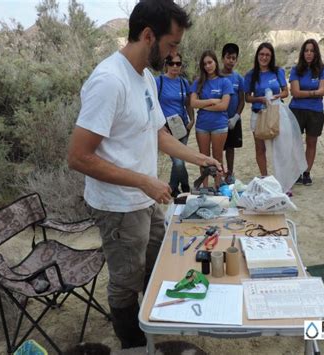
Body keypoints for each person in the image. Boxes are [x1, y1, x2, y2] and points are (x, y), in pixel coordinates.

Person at [67, 1, 221, 349]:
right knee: (126, 279)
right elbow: (78, 156)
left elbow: (158, 134)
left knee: (157, 262)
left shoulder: (145, 78)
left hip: (147, 198)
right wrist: (143, 181)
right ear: (148, 35)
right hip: (119, 205)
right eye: (172, 44)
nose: (174, 54)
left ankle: (151, 326)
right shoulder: (109, 80)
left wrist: (201, 158)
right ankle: (133, 343)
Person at [244, 42, 289, 177]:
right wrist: (260, 99)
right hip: (258, 114)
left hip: (275, 113)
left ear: (272, 56)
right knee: (260, 148)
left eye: (267, 55)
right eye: (262, 54)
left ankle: (282, 178)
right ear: (257, 55)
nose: (264, 57)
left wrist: (277, 96)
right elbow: (247, 97)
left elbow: (286, 92)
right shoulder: (251, 75)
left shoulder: (278, 71)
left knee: (279, 148)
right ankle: (265, 177)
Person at [190, 50, 232, 188]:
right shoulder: (198, 82)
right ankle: (205, 187)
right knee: (203, 158)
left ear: (215, 62)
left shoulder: (224, 82)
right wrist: (212, 101)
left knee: (218, 157)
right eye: (205, 64)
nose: (208, 66)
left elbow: (224, 106)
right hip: (202, 125)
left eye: (210, 62)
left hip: (219, 125)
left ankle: (218, 186)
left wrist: (204, 106)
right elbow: (193, 103)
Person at [289, 38, 324, 185]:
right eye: (306, 50)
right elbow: (295, 92)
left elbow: (323, 91)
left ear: (316, 53)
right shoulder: (296, 70)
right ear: (302, 53)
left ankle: (306, 172)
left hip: (315, 111)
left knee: (311, 142)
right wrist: (313, 92)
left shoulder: (322, 70)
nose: (309, 53)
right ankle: (296, 171)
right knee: (295, 143)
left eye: (312, 51)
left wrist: (308, 92)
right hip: (297, 110)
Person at [156, 53, 194, 197]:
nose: (175, 66)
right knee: (178, 161)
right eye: (172, 63)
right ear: (166, 64)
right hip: (166, 129)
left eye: (178, 64)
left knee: (180, 159)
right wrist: (159, 124)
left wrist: (192, 120)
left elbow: (188, 103)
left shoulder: (183, 82)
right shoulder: (158, 81)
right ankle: (180, 186)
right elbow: (152, 103)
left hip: (182, 127)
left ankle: (178, 188)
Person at [221, 43, 245, 184]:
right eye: (228, 57)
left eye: (233, 58)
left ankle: (230, 174)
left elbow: (242, 100)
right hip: (218, 119)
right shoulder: (216, 76)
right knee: (219, 149)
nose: (231, 61)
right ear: (223, 58)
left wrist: (236, 117)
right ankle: (220, 174)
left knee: (230, 148)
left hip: (233, 119)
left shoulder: (238, 78)